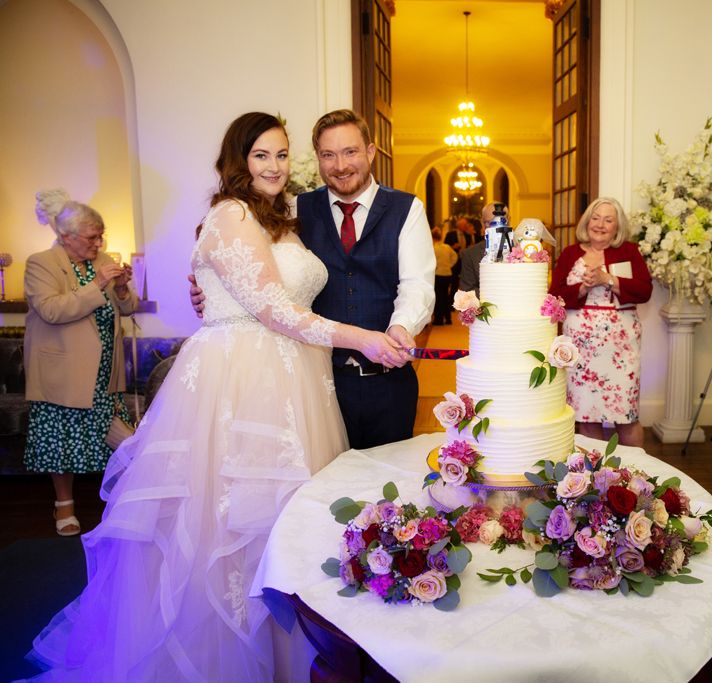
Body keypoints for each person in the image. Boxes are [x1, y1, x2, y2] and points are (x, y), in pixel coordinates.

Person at [26, 112, 404, 681]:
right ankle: (220, 654)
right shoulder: (229, 215)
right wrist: (365, 341)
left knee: (289, 521)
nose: (274, 167)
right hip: (243, 382)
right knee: (232, 524)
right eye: (260, 156)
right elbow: (274, 309)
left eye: (281, 155)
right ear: (237, 161)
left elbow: (262, 288)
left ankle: (292, 649)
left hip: (300, 378)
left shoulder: (284, 218)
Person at [192, 109, 434, 449]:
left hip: (387, 383)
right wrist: (208, 288)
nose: (340, 165)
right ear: (317, 158)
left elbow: (417, 285)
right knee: (326, 491)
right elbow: (244, 264)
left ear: (370, 152)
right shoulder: (291, 210)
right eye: (328, 155)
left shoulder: (407, 208)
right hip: (322, 383)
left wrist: (401, 326)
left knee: (388, 486)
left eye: (350, 152)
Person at [23, 190, 138, 537]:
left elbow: (129, 308)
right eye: (92, 236)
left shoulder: (101, 259)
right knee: (63, 442)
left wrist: (120, 288)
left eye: (101, 235)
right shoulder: (41, 263)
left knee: (126, 442)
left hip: (104, 372)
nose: (99, 242)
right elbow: (53, 310)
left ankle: (125, 503)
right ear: (66, 236)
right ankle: (64, 507)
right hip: (64, 372)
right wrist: (97, 284)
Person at [549, 197, 652, 447]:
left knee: (626, 416)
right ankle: (594, 476)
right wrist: (583, 288)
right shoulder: (571, 253)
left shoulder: (629, 251)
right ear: (587, 221)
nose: (600, 225)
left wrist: (608, 279)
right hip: (581, 348)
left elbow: (644, 291)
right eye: (595, 218)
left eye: (608, 220)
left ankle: (635, 473)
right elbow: (555, 296)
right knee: (587, 414)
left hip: (621, 347)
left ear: (617, 226)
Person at [458, 202, 503, 295]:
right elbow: (467, 291)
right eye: (489, 222)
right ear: (482, 224)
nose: (495, 227)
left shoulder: (524, 251)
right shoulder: (470, 255)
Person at [431, 227, 457, 325]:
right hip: (447, 274)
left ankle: (439, 319)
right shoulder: (447, 247)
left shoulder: (433, 248)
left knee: (438, 297)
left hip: (438, 274)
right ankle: (448, 318)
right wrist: (449, 265)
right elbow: (455, 256)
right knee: (446, 296)